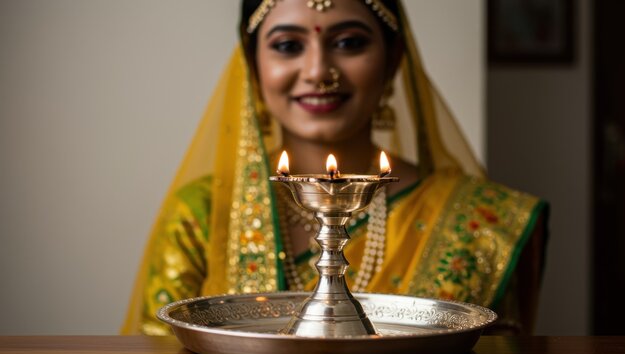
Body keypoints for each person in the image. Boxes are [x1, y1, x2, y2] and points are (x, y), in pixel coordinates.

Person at [122, 0, 548, 336]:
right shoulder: (200, 213)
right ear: (253, 66)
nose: (318, 71)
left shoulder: (483, 222)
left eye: (348, 43)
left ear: (394, 59)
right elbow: (159, 351)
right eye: (288, 45)